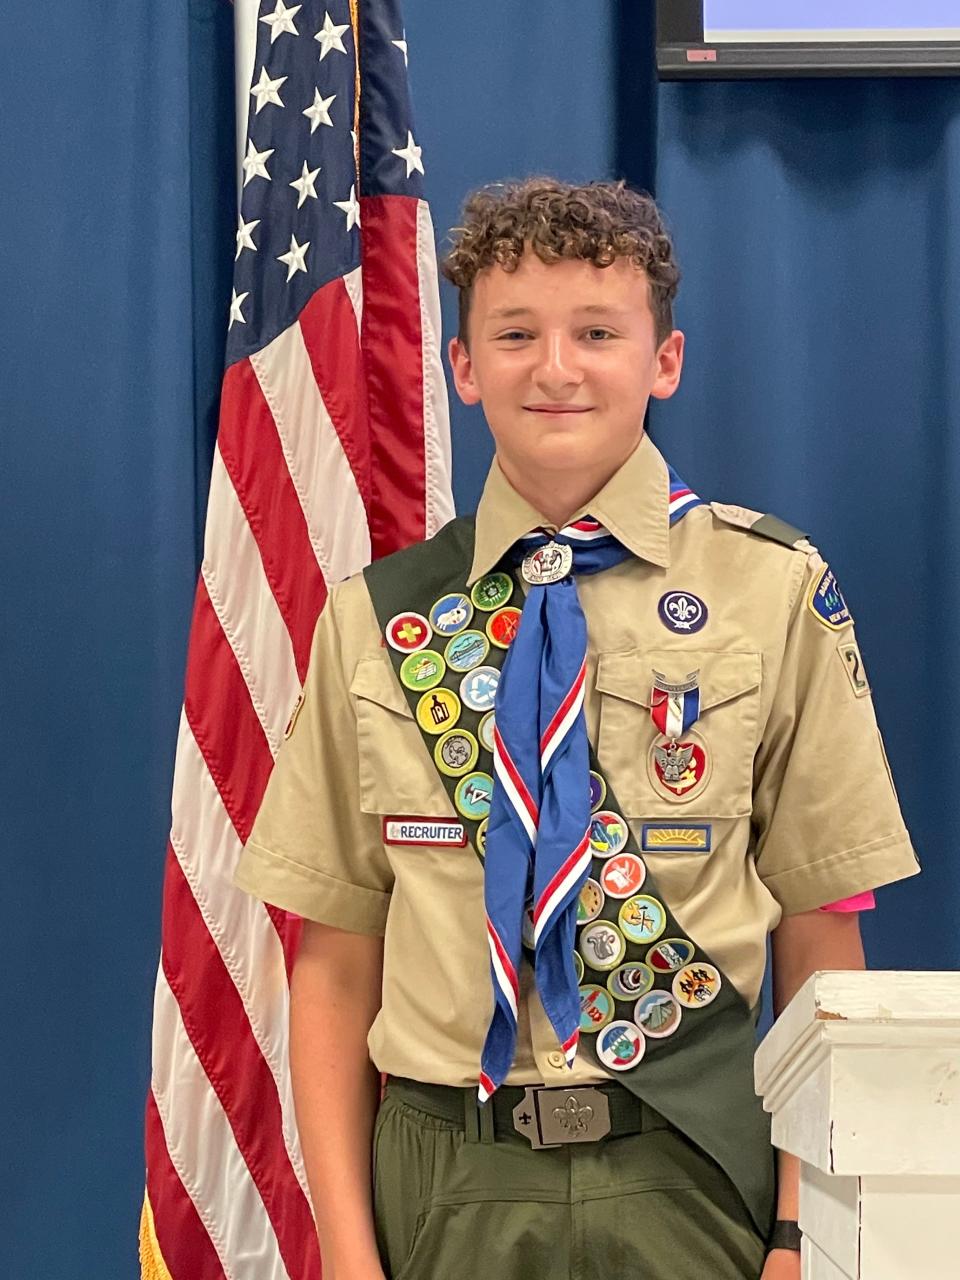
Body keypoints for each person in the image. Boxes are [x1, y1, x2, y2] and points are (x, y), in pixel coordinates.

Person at [233, 177, 919, 1280]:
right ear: (463, 368)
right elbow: (333, 964)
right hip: (449, 1171)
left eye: (597, 332)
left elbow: (820, 934)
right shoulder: (379, 618)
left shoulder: (773, 591)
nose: (556, 367)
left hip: (688, 1160)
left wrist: (800, 1230)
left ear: (665, 360)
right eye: (515, 334)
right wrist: (352, 1260)